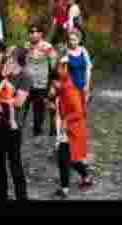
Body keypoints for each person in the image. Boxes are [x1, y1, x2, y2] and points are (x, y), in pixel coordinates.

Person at [49, 57, 94, 197]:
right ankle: (86, 177)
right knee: (70, 158)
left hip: (72, 128)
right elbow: (60, 100)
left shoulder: (69, 89)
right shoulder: (64, 85)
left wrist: (65, 121)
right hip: (69, 127)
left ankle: (64, 189)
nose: (52, 86)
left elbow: (79, 112)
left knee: (63, 157)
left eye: (53, 83)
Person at [0, 47, 31, 201]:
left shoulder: (25, 76)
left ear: (17, 60)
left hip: (13, 126)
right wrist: (2, 76)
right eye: (7, 57)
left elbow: (19, 102)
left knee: (15, 163)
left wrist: (0, 101)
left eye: (10, 57)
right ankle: (2, 195)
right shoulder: (3, 74)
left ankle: (22, 196)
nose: (6, 59)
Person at [23, 25, 57, 141]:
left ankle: (37, 132)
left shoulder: (47, 47)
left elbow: (54, 67)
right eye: (31, 32)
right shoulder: (26, 46)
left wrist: (52, 84)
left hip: (41, 84)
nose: (33, 34)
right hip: (26, 83)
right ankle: (18, 130)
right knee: (23, 107)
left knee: (39, 109)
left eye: (35, 32)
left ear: (41, 34)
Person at [64, 30, 93, 107]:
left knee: (83, 110)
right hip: (71, 86)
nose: (72, 42)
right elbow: (63, 72)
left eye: (74, 40)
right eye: (70, 39)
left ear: (79, 40)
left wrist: (87, 85)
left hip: (83, 85)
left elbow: (88, 69)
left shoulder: (83, 51)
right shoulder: (66, 52)